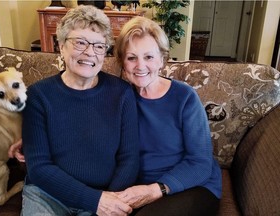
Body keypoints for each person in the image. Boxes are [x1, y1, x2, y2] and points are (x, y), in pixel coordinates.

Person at [18, 5, 139, 216]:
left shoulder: (122, 93)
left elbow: (130, 158)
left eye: (99, 46)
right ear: (61, 46)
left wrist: (108, 200)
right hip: (48, 196)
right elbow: (38, 168)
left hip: (106, 194)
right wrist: (96, 200)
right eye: (80, 42)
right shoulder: (38, 95)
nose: (90, 52)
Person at [113, 16, 222, 215]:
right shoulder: (119, 98)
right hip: (137, 189)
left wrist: (155, 190)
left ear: (162, 59)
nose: (140, 66)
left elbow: (200, 163)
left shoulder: (184, 97)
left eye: (149, 57)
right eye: (131, 58)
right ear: (122, 62)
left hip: (190, 186)